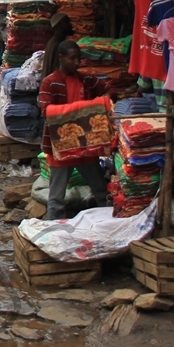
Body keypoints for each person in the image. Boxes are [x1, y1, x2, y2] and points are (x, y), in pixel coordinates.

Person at [39, 40, 110, 219]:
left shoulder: (86, 80)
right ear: (61, 58)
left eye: (79, 58)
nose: (77, 63)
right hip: (61, 148)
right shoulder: (50, 83)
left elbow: (109, 90)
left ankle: (108, 222)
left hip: (85, 147)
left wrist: (101, 105)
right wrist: (84, 109)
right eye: (73, 59)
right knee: (56, 197)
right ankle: (53, 233)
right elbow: (45, 109)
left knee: (101, 190)